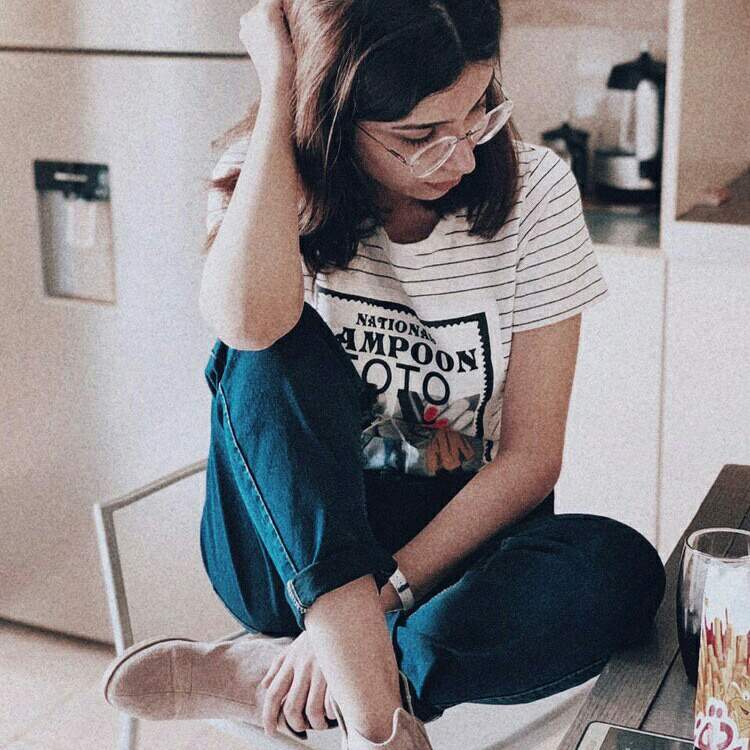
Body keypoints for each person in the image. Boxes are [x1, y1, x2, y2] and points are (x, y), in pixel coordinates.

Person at [101, 1, 667, 748]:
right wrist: (280, 85)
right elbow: (246, 330)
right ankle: (378, 723)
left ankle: (300, 671)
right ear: (332, 112)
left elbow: (532, 459)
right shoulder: (263, 178)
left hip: (450, 556)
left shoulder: (538, 191)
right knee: (272, 343)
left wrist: (377, 602)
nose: (462, 158)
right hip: (288, 549)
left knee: (621, 569)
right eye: (419, 137)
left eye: (478, 112)